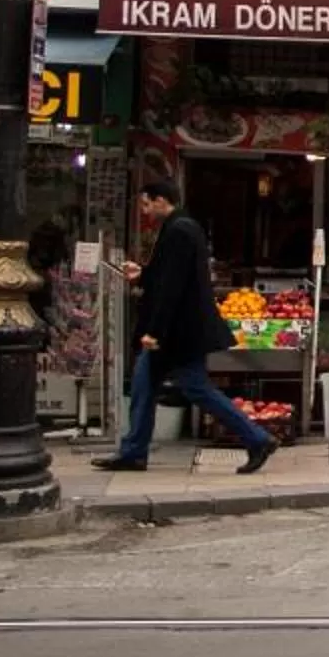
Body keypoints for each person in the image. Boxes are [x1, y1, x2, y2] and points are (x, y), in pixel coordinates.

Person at [97, 176, 278, 474]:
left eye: (145, 204)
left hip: (179, 333)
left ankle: (257, 438)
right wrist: (143, 274)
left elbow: (173, 286)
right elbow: (167, 276)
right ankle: (133, 451)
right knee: (143, 386)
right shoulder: (179, 227)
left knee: (196, 389)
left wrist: (155, 331)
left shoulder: (180, 230)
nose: (144, 211)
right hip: (176, 331)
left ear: (160, 200)